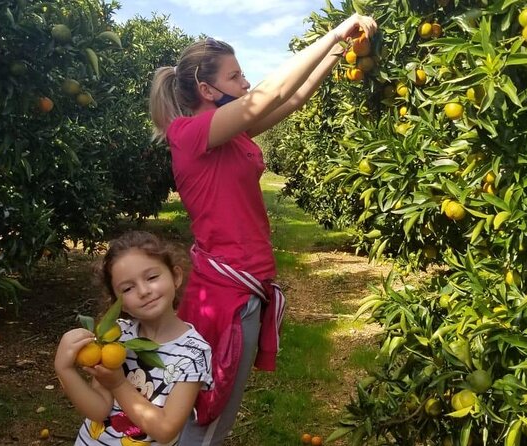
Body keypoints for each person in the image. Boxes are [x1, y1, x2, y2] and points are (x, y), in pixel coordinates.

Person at [148, 11, 377, 446]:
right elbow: (267, 94)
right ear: (206, 89)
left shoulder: (231, 135)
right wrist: (335, 29)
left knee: (219, 407)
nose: (246, 83)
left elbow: (288, 101)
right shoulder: (189, 134)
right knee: (207, 409)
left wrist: (336, 51)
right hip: (224, 292)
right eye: (236, 76)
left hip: (245, 286)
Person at [54, 231, 213, 446]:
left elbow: (166, 431)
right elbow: (99, 410)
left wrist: (119, 383)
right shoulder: (116, 335)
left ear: (175, 277)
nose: (144, 291)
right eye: (128, 288)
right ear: (119, 302)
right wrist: (64, 369)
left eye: (152, 277)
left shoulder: (193, 352)